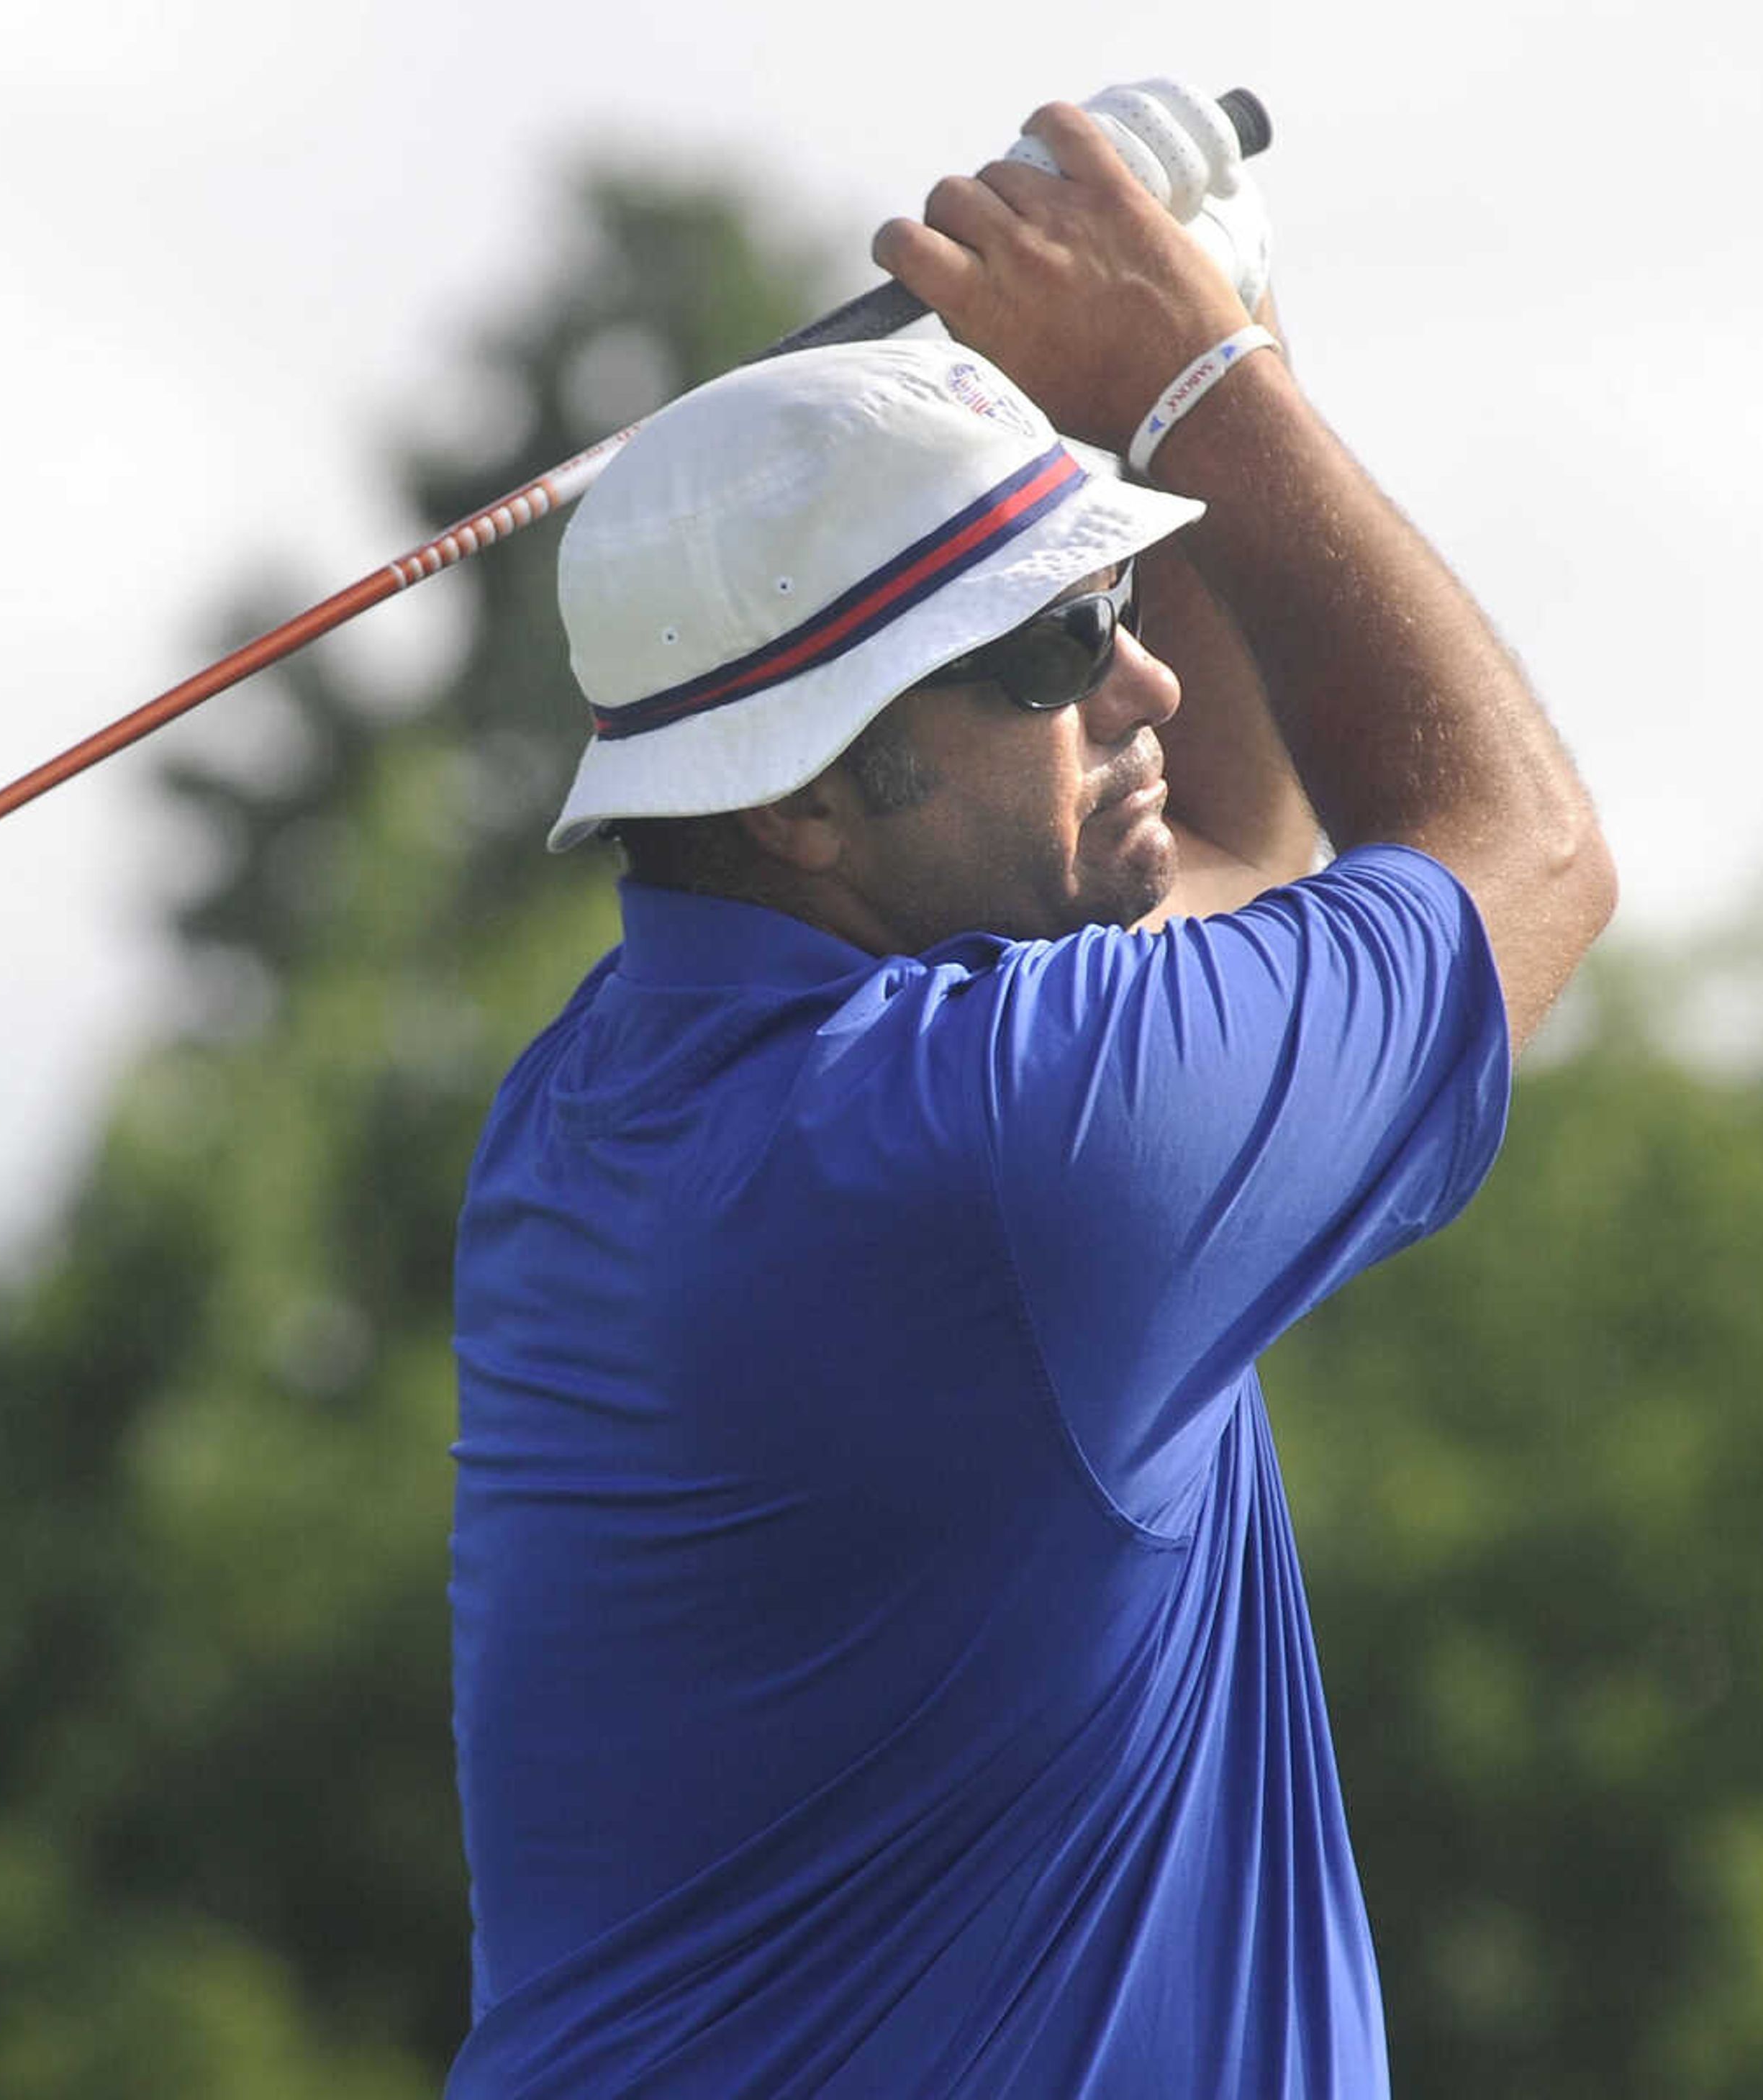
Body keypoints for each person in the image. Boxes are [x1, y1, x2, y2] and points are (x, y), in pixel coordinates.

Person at [447, 90, 1615, 2098]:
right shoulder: (1005, 1157)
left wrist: (1211, 362)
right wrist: (1202, 386)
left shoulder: (605, 1104)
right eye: (1057, 640)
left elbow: (1235, 874)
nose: (1143, 677)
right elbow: (1523, 859)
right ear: (807, 798)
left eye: (1123, 597)